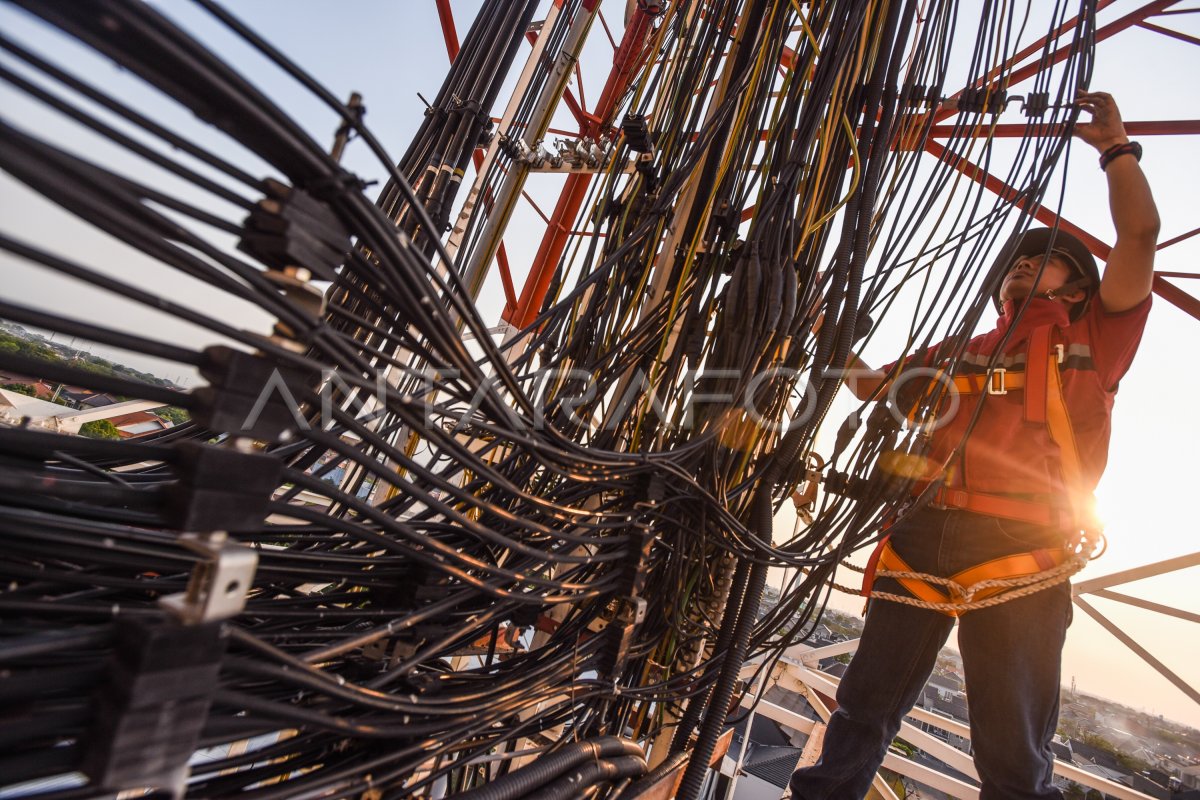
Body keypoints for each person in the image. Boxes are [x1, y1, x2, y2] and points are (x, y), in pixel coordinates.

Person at [789, 91, 1159, 799]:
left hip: (1024, 546)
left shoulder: (1095, 338)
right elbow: (874, 387)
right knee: (861, 711)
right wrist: (818, 329)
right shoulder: (963, 349)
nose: (1021, 266)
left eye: (1045, 260)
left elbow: (1140, 237)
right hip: (922, 534)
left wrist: (1116, 150)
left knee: (1011, 753)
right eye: (1015, 264)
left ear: (1080, 288)